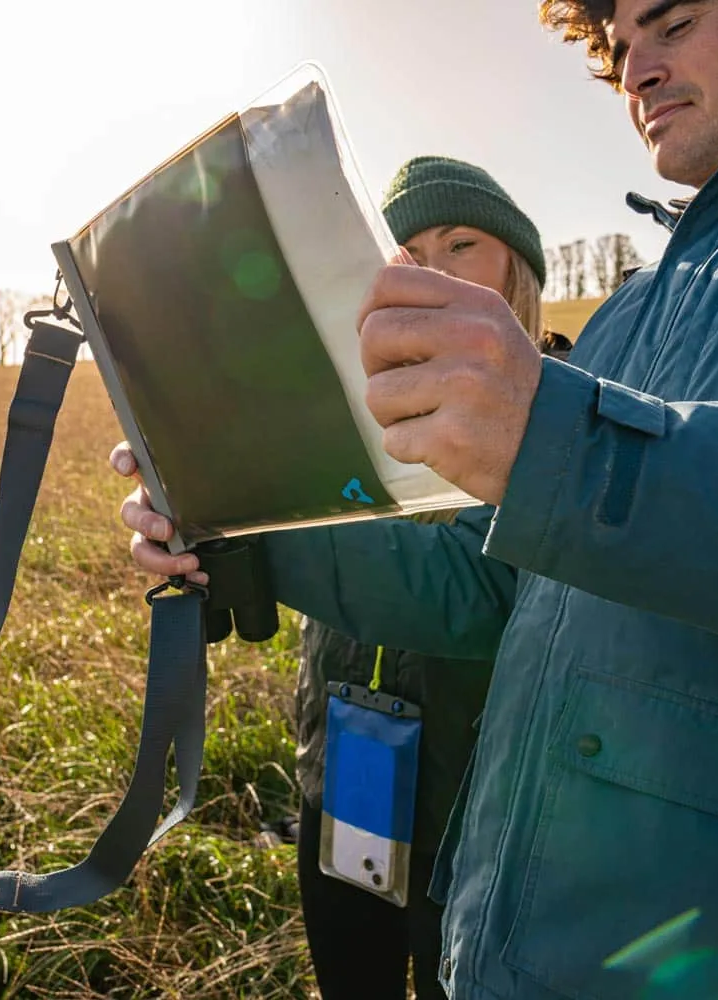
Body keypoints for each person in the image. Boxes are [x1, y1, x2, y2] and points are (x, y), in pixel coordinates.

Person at [115, 2, 718, 997]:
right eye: (622, 49)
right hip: (504, 946)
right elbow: (490, 589)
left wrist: (559, 442)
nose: (637, 73)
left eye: (669, 25)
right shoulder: (636, 305)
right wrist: (243, 530)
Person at [290, 157, 564, 1000]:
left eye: (462, 243)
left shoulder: (564, 405)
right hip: (346, 779)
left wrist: (255, 551)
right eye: (408, 250)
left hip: (486, 808)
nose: (434, 268)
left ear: (515, 268)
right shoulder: (338, 412)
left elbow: (475, 592)